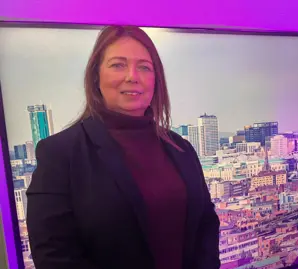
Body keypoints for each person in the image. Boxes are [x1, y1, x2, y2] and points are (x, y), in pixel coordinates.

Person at [26, 25, 220, 269]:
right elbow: (54, 256)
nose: (132, 76)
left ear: (155, 80)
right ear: (96, 76)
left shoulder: (181, 148)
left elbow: (206, 223)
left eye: (144, 67)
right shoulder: (59, 154)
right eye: (118, 65)